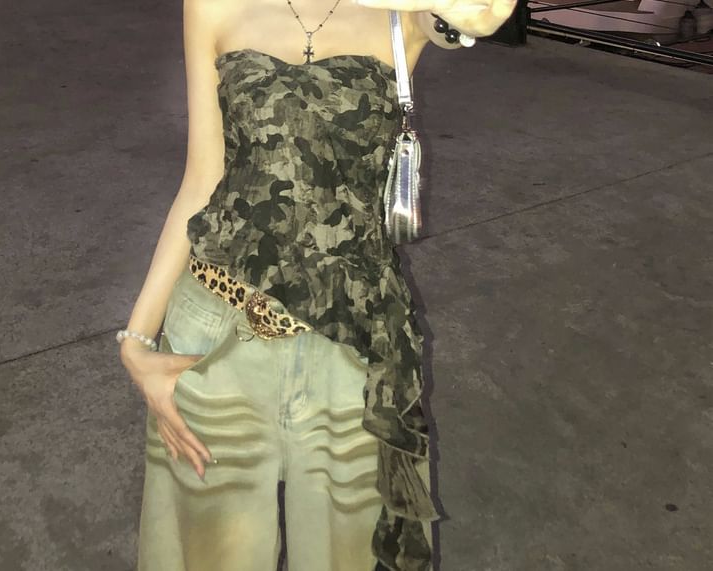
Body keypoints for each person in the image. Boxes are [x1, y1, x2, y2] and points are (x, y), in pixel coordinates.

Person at [119, 1, 517, 570]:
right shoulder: (211, 4)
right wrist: (137, 341)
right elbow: (203, 176)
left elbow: (471, 16)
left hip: (352, 349)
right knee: (210, 555)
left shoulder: (402, 14)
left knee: (348, 556)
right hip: (215, 336)